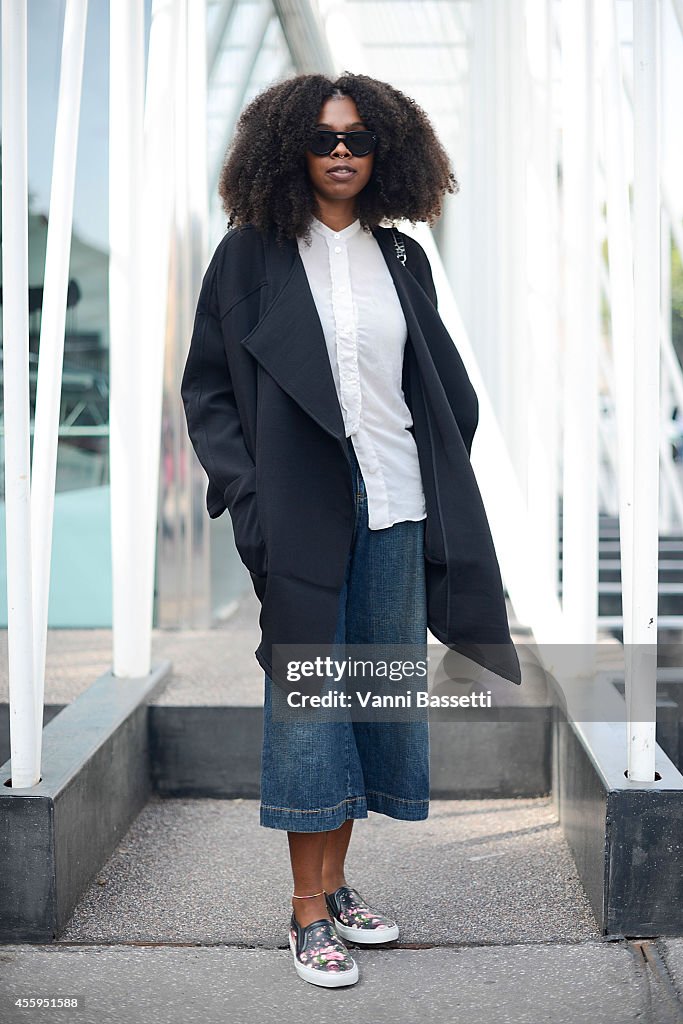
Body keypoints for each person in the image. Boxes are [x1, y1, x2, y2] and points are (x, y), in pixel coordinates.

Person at [181, 71, 520, 988]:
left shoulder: (401, 257)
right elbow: (208, 390)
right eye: (326, 136)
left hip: (398, 507)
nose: (342, 151)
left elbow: (441, 388)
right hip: (298, 517)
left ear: (386, 152)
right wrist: (247, 498)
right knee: (309, 710)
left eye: (360, 138)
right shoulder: (249, 255)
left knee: (368, 703)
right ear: (291, 147)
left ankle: (335, 888)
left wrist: (443, 466)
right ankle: (302, 913)